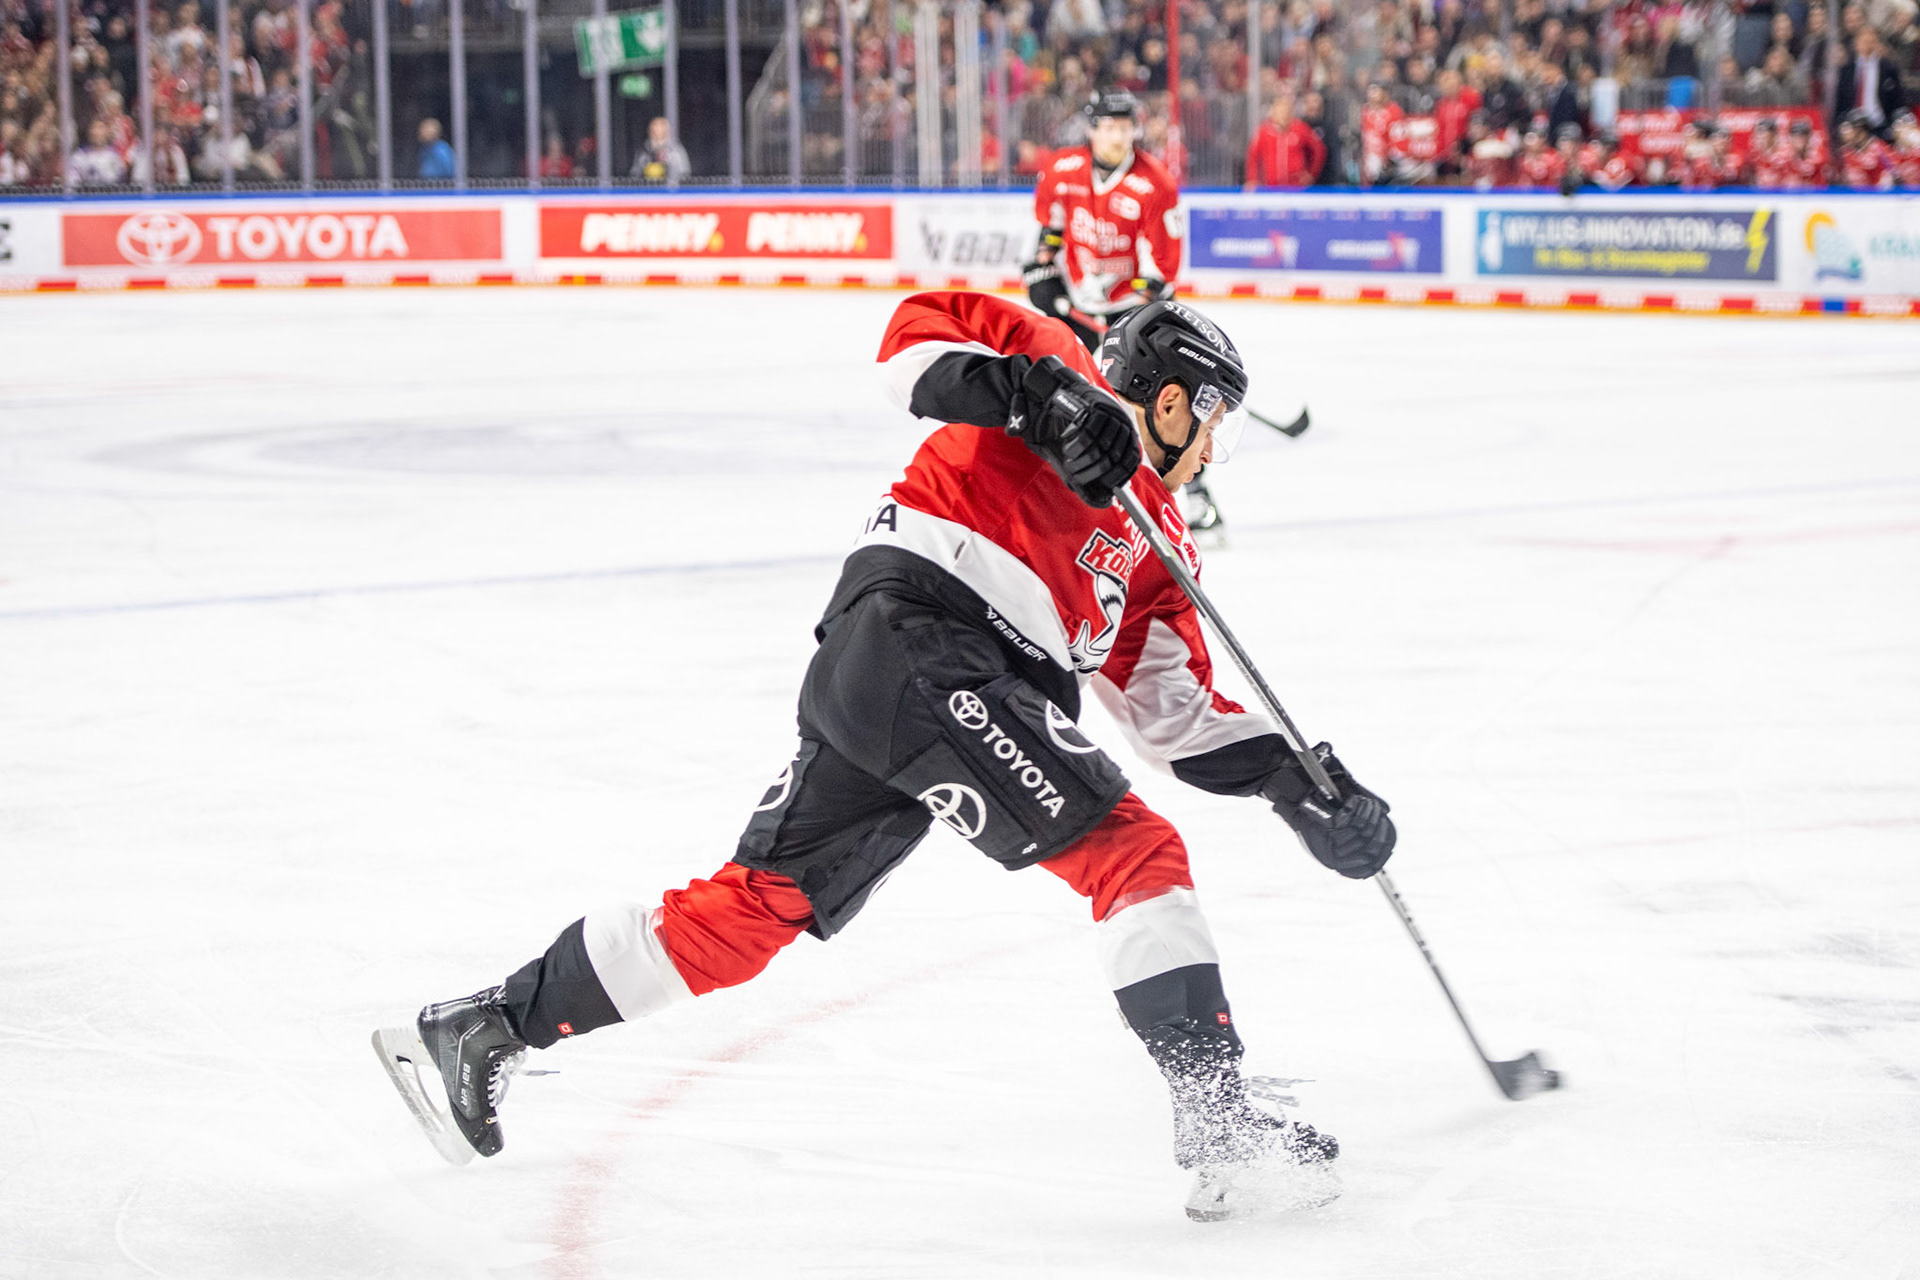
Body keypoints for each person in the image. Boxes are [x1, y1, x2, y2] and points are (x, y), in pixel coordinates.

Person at [375, 291, 1397, 1224]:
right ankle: (1216, 1119)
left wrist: (1297, 782)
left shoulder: (1160, 541)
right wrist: (1034, 400)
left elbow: (1172, 709)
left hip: (912, 682)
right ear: (1168, 402)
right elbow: (910, 339)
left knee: (751, 908)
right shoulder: (1055, 357)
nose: (1213, 448)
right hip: (927, 637)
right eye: (1210, 418)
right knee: (1132, 855)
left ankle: (488, 1025)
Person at [1023, 89, 1218, 535]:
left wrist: (1130, 318)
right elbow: (1048, 235)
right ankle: (1063, 495)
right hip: (1079, 305)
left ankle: (1198, 496)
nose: (1116, 136)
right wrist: (1044, 277)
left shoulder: (1154, 185)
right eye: (1108, 127)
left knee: (1158, 402)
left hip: (1130, 312)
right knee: (1062, 391)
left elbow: (1161, 271)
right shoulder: (1063, 171)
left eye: (1125, 127)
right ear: (1091, 129)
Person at [1243, 90, 1326, 190]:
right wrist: (1252, 179)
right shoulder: (1264, 132)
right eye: (1280, 111)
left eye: (1286, 111)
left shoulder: (1300, 128)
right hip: (1270, 187)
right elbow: (1253, 156)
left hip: (1296, 187)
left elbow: (1319, 150)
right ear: (1273, 112)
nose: (1283, 115)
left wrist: (1311, 174)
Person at [629, 114, 690, 183]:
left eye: (659, 129)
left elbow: (684, 174)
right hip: (647, 191)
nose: (654, 132)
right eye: (652, 130)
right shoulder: (643, 152)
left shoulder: (676, 151)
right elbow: (634, 174)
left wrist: (667, 165)